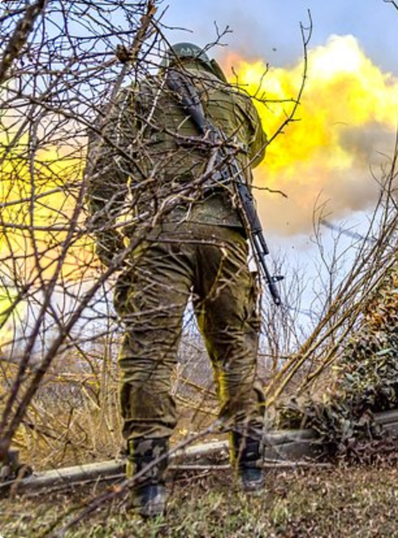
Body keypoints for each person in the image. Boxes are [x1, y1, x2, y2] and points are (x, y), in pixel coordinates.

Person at [86, 42, 269, 517]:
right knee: (236, 347)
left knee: (150, 352)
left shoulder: (135, 98)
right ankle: (250, 470)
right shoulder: (238, 103)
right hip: (226, 238)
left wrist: (111, 246)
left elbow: (104, 174)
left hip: (160, 233)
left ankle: (149, 487)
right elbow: (257, 152)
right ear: (207, 67)